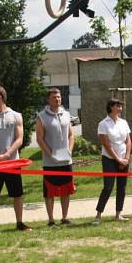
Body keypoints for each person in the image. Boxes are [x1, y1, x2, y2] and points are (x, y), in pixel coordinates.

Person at [0, 85, 31, 233]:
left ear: (0, 98)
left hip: (13, 163)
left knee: (17, 194)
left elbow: (19, 138)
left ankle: (20, 223)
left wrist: (8, 154)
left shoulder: (16, 115)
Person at [35, 88, 76, 226]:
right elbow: (39, 139)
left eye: (58, 97)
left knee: (66, 190)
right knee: (49, 192)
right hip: (50, 162)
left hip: (66, 160)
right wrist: (50, 153)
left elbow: (71, 135)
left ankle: (65, 217)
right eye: (54, 97)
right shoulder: (41, 116)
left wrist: (69, 151)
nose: (57, 99)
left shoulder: (66, 114)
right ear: (48, 100)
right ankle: (51, 219)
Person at [93, 98, 131, 225]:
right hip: (109, 159)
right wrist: (118, 159)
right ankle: (98, 215)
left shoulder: (123, 122)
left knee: (122, 187)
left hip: (123, 159)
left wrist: (126, 158)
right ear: (110, 107)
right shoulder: (103, 124)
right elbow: (106, 144)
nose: (120, 108)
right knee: (108, 187)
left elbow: (128, 141)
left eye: (121, 106)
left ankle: (118, 214)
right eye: (117, 105)